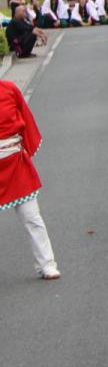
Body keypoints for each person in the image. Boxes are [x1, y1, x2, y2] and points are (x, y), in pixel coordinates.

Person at [0, 79, 60, 278]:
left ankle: (47, 263)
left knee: (32, 216)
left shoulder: (9, 88)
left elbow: (25, 116)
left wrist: (27, 149)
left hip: (15, 161)